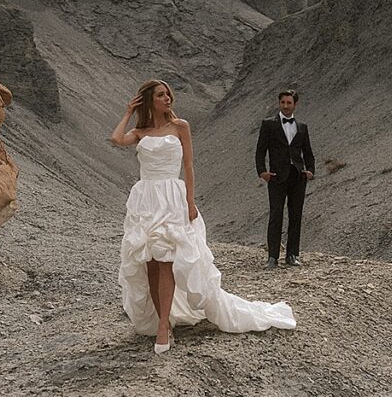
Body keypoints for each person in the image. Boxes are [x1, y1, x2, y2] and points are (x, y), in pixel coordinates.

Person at [109, 79, 296, 354]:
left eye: (169, 94)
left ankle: (163, 326)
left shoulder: (180, 126)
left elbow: (188, 166)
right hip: (145, 199)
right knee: (148, 261)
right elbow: (116, 139)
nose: (167, 99)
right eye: (161, 95)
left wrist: (190, 201)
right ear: (150, 101)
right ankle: (166, 322)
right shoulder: (140, 131)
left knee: (165, 260)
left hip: (172, 196)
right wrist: (128, 112)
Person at [255, 89, 315, 269]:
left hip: (297, 176)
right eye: (283, 103)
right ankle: (272, 257)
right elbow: (260, 150)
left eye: (289, 103)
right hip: (276, 177)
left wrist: (310, 170)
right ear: (279, 103)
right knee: (276, 215)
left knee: (295, 216)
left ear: (295, 104)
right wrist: (262, 172)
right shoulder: (269, 124)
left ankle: (292, 255)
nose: (286, 106)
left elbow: (308, 152)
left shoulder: (302, 126)